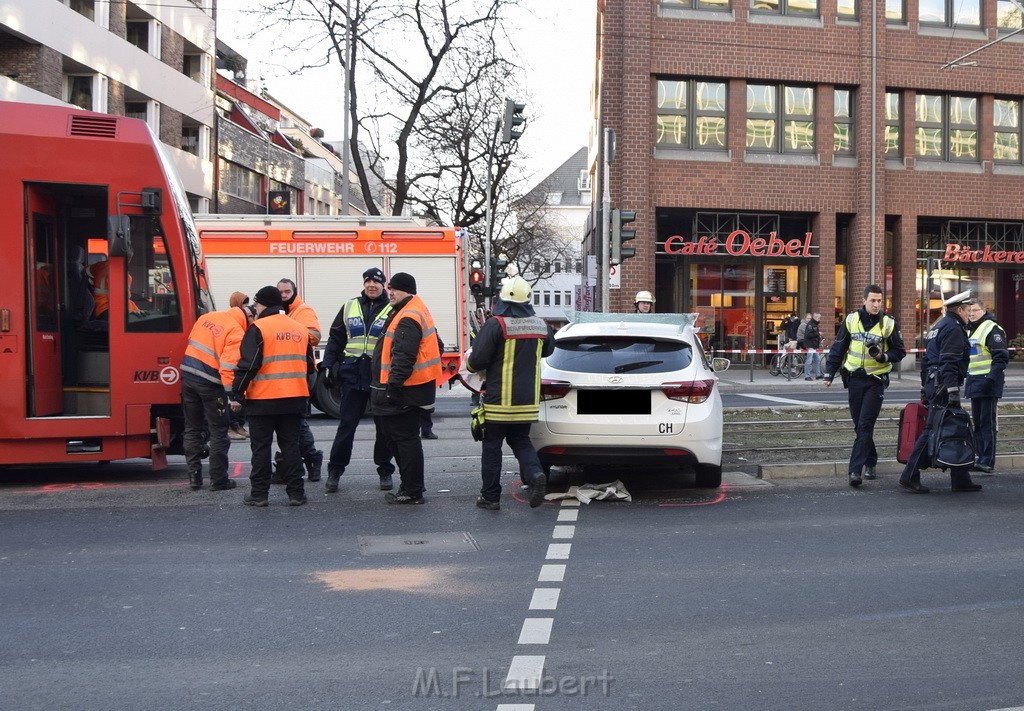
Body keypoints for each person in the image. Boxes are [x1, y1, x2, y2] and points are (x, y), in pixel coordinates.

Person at [467, 276, 554, 510]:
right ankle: (535, 474)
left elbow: (475, 362)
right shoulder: (541, 325)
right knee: (521, 441)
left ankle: (490, 497)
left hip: (498, 401)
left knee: (492, 447)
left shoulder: (496, 324)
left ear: (503, 299)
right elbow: (548, 350)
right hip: (527, 402)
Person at [231, 286, 316, 507]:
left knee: (261, 448)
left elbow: (248, 365)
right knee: (291, 446)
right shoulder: (300, 328)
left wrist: (237, 393)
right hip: (295, 398)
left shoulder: (258, 327)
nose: (255, 309)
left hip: (263, 400)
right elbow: (309, 367)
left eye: (256, 305)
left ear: (263, 305)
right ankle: (296, 493)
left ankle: (259, 495)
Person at [899, 290, 983, 494]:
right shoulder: (954, 328)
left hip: (934, 383)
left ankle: (961, 477)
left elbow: (926, 361)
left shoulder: (938, 326)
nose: (969, 315)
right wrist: (953, 390)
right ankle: (909, 474)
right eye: (968, 310)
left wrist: (924, 388)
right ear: (960, 310)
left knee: (955, 426)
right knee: (932, 430)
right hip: (944, 385)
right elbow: (949, 361)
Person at [321, 267, 397, 493]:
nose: (371, 285)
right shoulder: (349, 306)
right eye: (368, 281)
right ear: (363, 284)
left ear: (384, 285)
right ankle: (335, 471)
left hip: (379, 377)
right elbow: (335, 338)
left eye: (376, 281)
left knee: (384, 429)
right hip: (353, 376)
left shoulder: (392, 308)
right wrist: (328, 366)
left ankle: (385, 470)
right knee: (346, 426)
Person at [369, 272, 441, 505]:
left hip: (406, 390)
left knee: (404, 439)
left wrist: (393, 387)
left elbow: (403, 356)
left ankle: (412, 489)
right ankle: (412, 486)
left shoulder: (408, 316)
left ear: (407, 291)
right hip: (413, 388)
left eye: (394, 289)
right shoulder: (413, 310)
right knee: (401, 438)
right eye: (389, 288)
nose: (390, 292)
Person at [824, 284, 907, 487]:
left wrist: (884, 356)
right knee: (859, 426)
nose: (877, 304)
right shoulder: (851, 319)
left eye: (880, 301)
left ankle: (855, 470)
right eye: (873, 300)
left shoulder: (888, 323)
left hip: (875, 381)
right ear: (864, 301)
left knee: (864, 425)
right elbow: (839, 347)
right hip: (854, 379)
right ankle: (871, 461)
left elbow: (900, 351)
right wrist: (829, 373)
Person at [180, 302, 250, 491]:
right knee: (219, 431)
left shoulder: (207, 317)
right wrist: (232, 395)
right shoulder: (236, 332)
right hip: (210, 384)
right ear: (247, 318)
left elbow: (192, 341)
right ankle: (219, 480)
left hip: (187, 377)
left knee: (192, 429)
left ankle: (194, 478)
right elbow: (227, 368)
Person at [276, 278, 324, 481]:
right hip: (292, 371)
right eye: (281, 292)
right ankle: (302, 461)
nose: (284, 295)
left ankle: (305, 460)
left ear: (294, 292)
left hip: (303, 372)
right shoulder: (283, 312)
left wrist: (289, 331)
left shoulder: (302, 311)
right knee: (293, 420)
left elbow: (314, 335)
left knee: (295, 419)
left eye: (287, 291)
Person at [966, 297, 1009, 474]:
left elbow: (1001, 358)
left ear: (984, 310)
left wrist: (990, 379)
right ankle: (980, 456)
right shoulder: (970, 330)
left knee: (987, 423)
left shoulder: (992, 329)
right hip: (975, 381)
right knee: (977, 422)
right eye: (969, 311)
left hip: (988, 382)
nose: (971, 314)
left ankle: (987, 460)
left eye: (974, 310)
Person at [226, 291, 252, 440]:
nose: (246, 306)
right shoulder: (233, 320)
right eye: (243, 303)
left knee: (241, 397)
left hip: (240, 360)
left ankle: (238, 425)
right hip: (232, 362)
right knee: (233, 398)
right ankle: (231, 426)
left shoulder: (242, 320)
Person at [797, 312, 824, 380]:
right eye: (819, 318)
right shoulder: (810, 325)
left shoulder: (814, 324)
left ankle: (818, 375)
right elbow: (808, 335)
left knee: (817, 359)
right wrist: (818, 334)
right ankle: (807, 376)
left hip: (814, 345)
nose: (819, 319)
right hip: (810, 344)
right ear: (816, 318)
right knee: (809, 360)